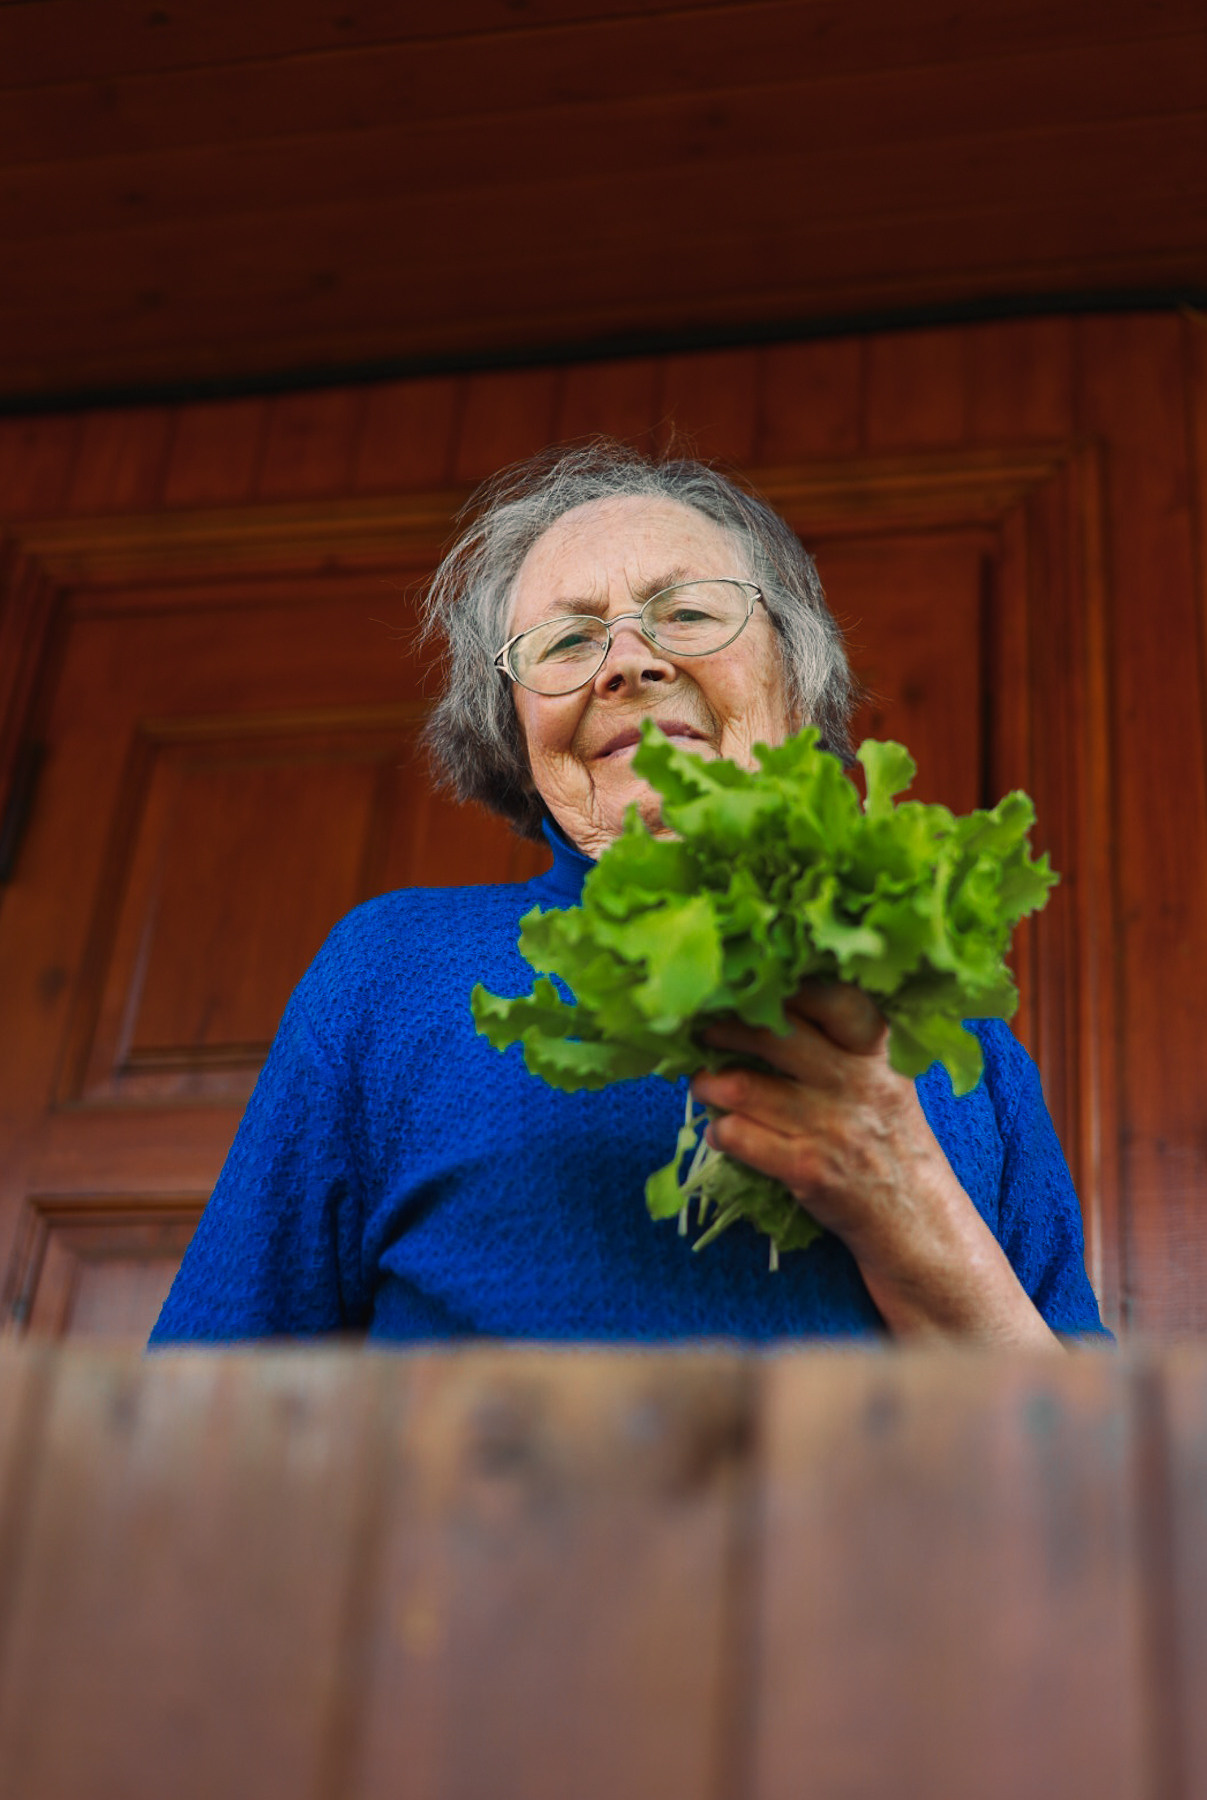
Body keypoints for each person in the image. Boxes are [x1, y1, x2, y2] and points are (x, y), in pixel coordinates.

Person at [150, 441, 1108, 1347]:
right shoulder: (389, 974)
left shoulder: (955, 1024)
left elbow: (1090, 1450)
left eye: (686, 614)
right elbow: (203, 1399)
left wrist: (910, 1209)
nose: (627, 663)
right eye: (567, 641)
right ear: (513, 729)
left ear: (794, 677)